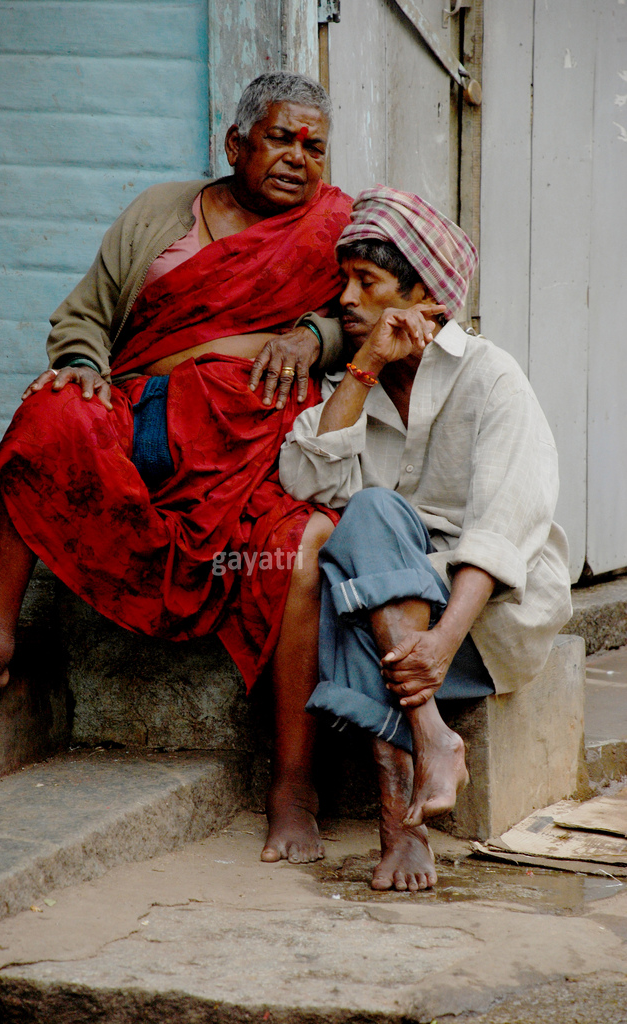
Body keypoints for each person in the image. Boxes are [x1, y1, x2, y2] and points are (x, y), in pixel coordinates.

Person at [0, 72, 353, 865]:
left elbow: (375, 306)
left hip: (251, 452)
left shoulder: (334, 229)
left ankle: (293, 782)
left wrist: (314, 337)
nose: (298, 158)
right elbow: (84, 317)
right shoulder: (163, 211)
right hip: (141, 427)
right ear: (235, 145)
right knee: (51, 410)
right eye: (280, 138)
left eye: (315, 146)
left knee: (297, 551)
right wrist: (80, 365)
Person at [279, 186, 572, 891]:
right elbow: (302, 477)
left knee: (359, 587)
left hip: (483, 618)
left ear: (423, 297)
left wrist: (439, 646)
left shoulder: (489, 377)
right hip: (403, 613)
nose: (346, 298)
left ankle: (400, 823)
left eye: (367, 283)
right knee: (370, 518)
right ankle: (428, 742)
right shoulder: (356, 379)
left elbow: (506, 524)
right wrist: (364, 369)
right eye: (343, 280)